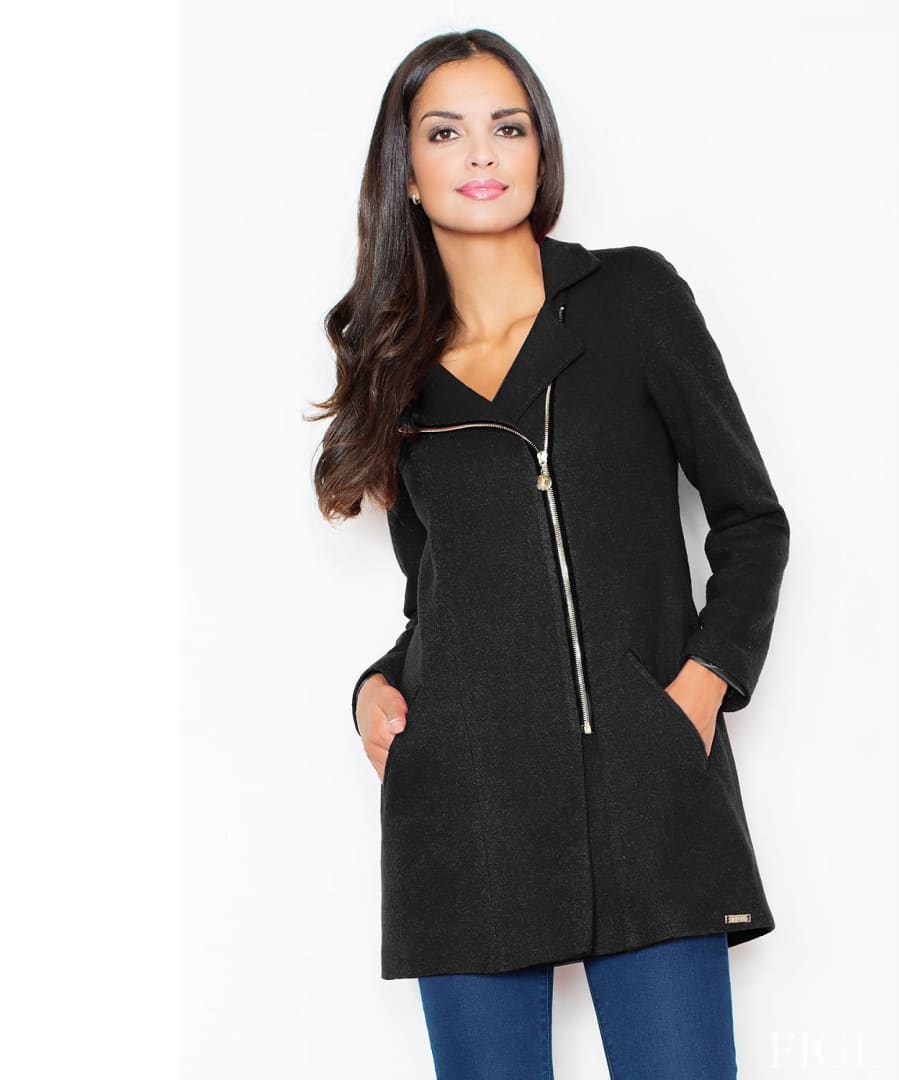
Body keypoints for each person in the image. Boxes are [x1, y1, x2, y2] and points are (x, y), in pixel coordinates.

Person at [310, 28, 790, 1080]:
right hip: (466, 810)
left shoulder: (633, 301)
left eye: (508, 126)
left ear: (540, 151)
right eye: (446, 132)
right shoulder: (397, 373)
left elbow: (752, 519)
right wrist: (375, 687)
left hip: (645, 791)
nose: (482, 152)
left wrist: (699, 688)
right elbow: (441, 594)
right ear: (408, 172)